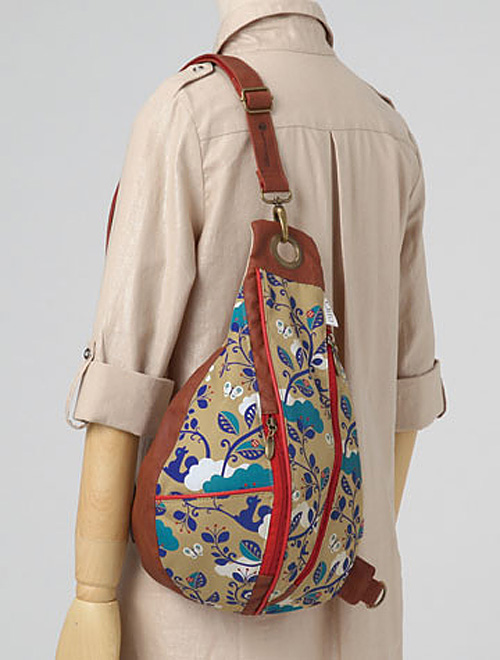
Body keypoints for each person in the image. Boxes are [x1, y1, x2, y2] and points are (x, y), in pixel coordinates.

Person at [57, 1, 447, 658]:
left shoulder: (190, 114)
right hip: (355, 610)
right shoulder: (389, 131)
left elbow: (122, 382)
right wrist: (319, 543)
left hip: (201, 608)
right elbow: (408, 396)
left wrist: (90, 597)